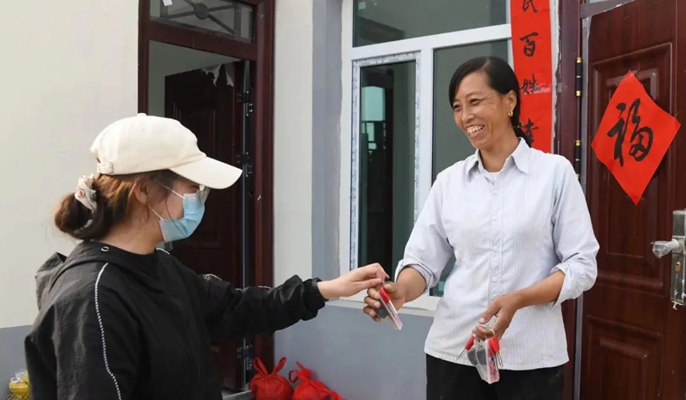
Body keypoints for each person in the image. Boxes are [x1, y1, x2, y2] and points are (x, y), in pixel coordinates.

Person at [25, 113, 388, 400]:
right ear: (144, 190)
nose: (198, 199)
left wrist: (325, 290)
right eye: (192, 187)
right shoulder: (94, 299)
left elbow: (235, 309)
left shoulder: (159, 266)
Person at [363, 56, 599, 400]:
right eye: (457, 107)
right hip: (455, 351)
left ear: (510, 101)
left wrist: (520, 298)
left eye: (475, 101)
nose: (465, 116)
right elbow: (423, 262)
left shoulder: (554, 174)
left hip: (531, 356)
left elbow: (582, 265)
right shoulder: (449, 182)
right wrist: (400, 291)